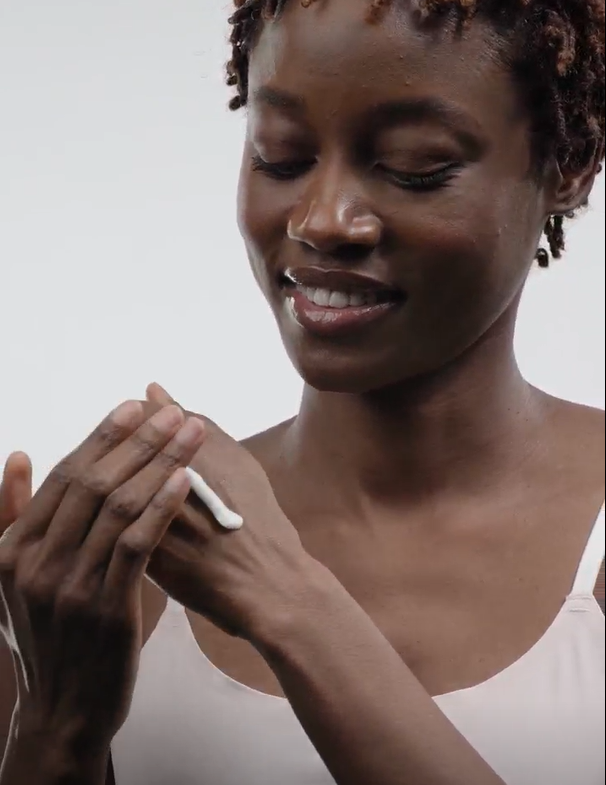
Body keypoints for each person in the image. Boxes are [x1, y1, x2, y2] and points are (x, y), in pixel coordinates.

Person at [0, 0, 604, 783]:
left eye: (414, 165)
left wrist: (286, 598)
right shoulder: (127, 570)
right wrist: (54, 727)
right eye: (280, 156)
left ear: (568, 167)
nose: (324, 220)